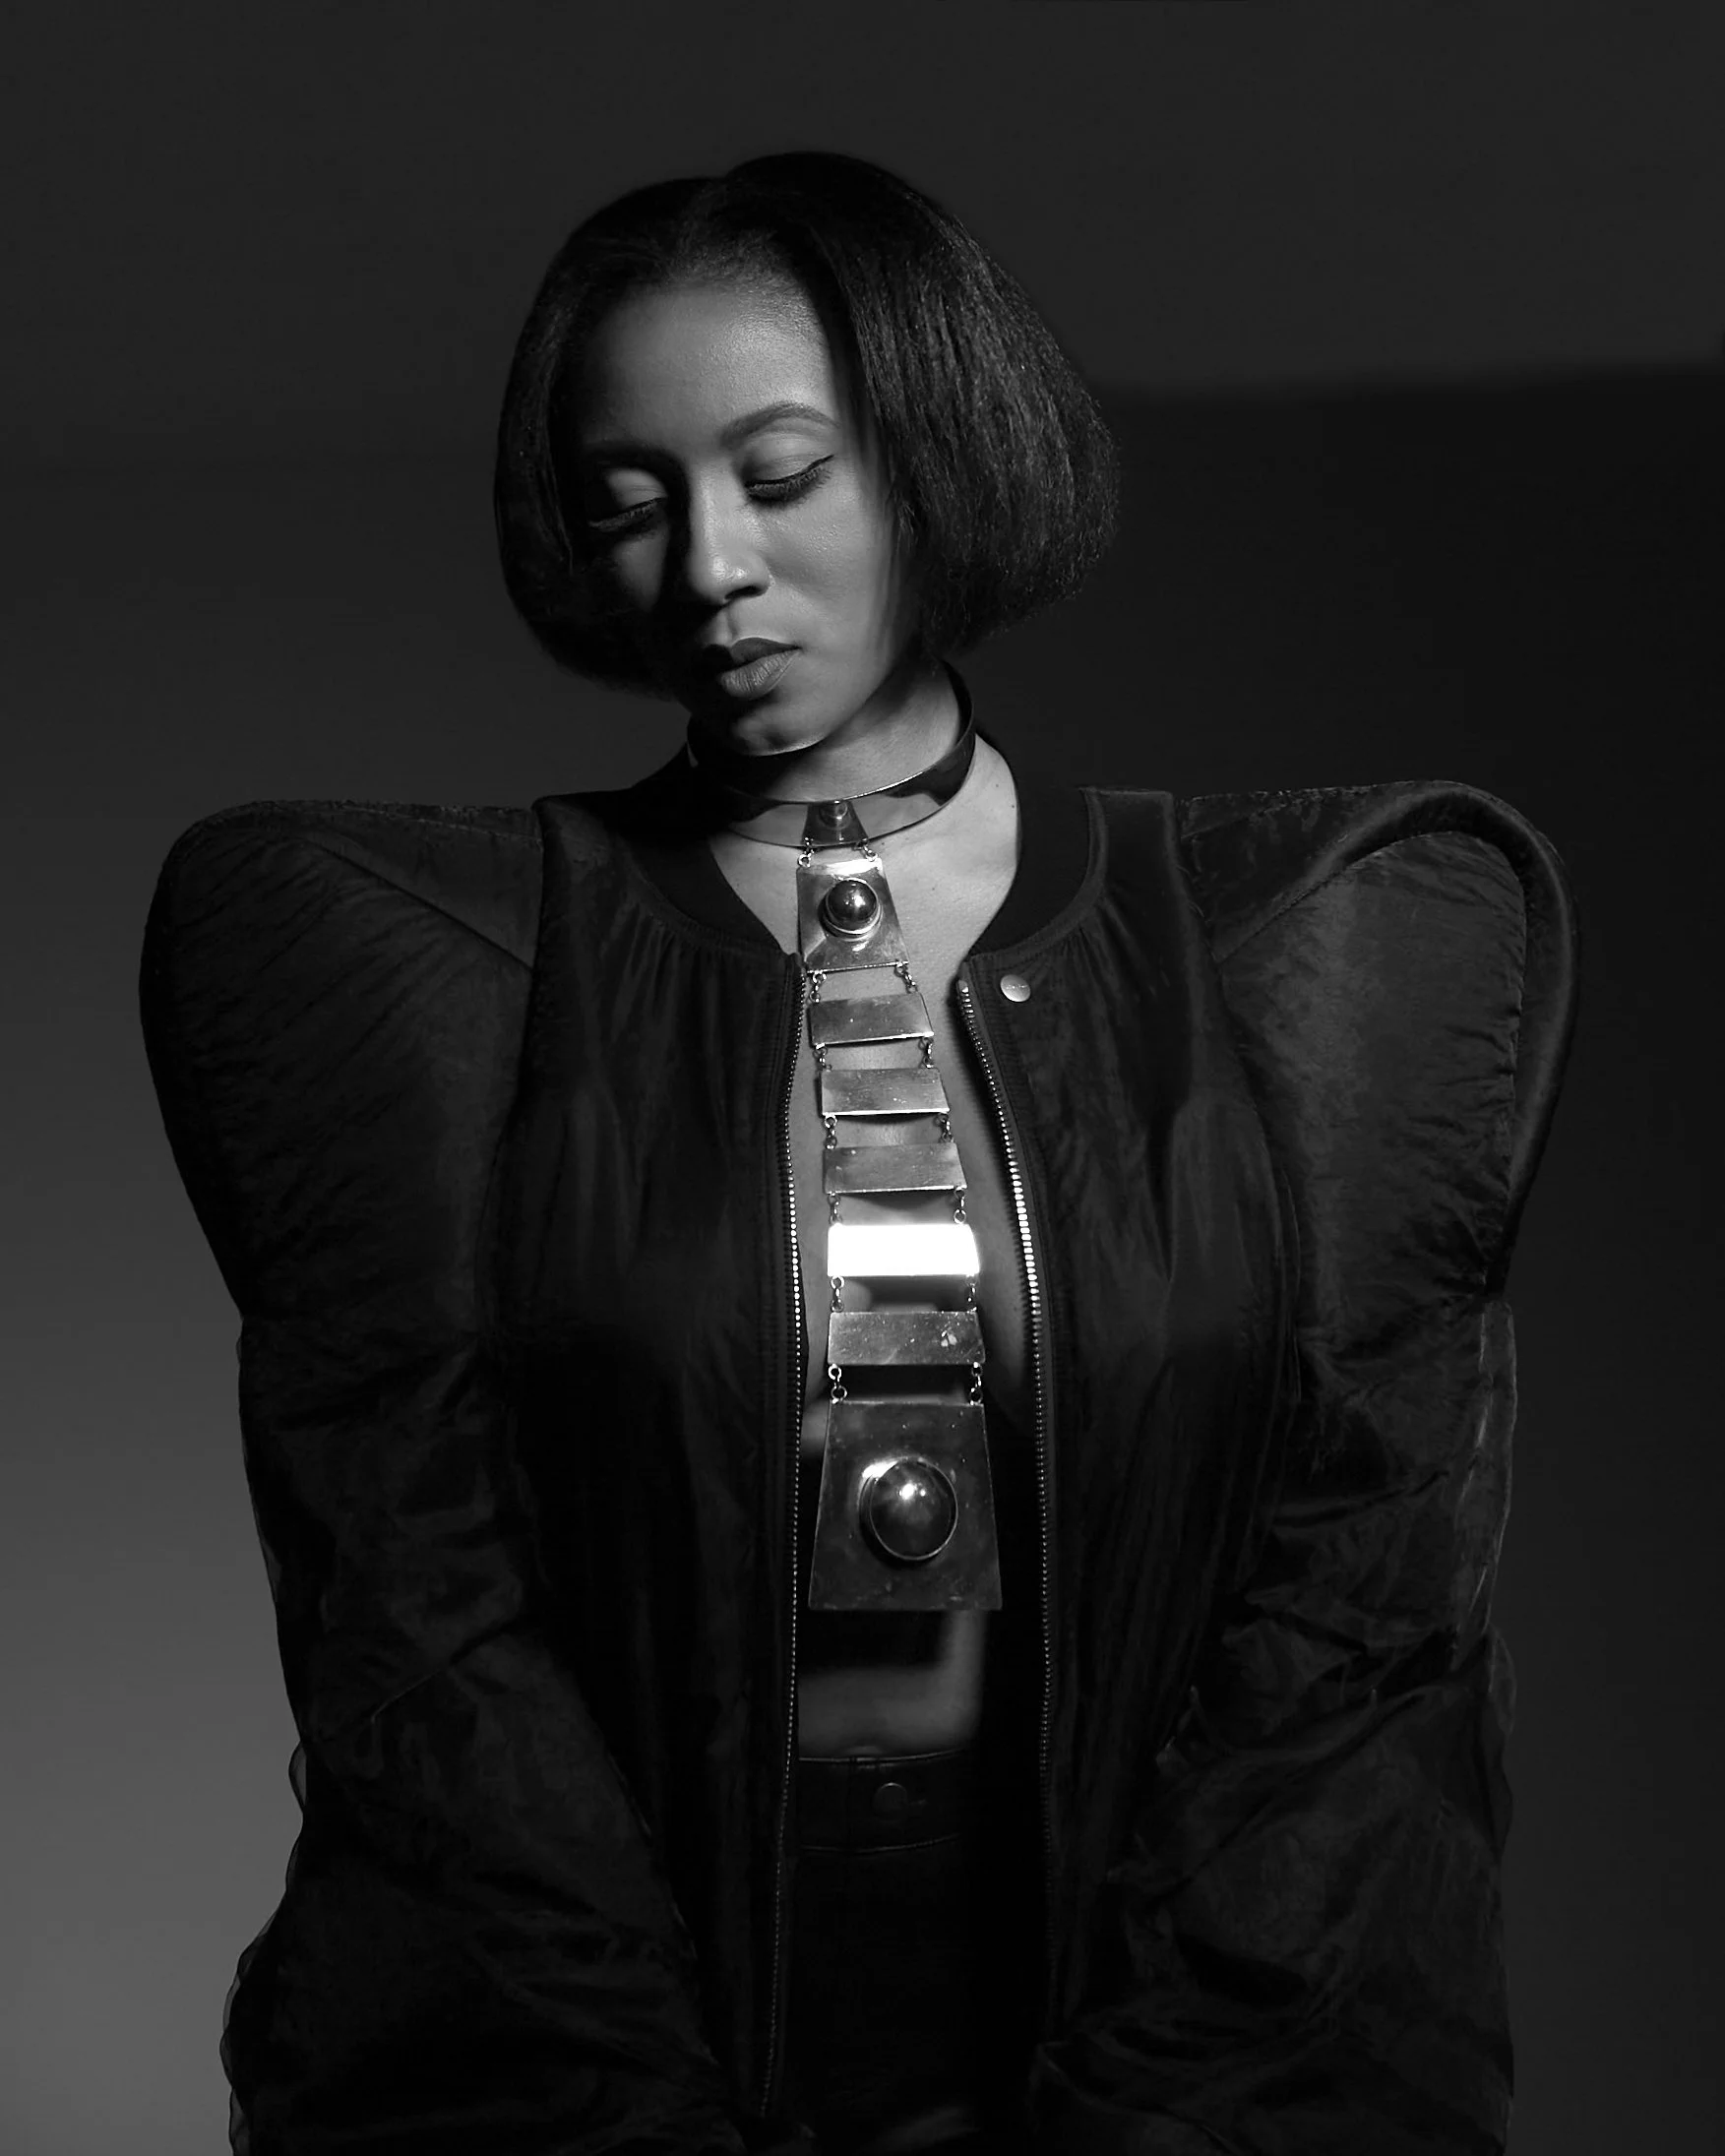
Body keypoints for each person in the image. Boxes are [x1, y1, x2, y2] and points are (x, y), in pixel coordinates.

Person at [141, 151, 1577, 2156]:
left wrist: (1160, 2109)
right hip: (624, 2073)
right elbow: (420, 1649)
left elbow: (1358, 1633)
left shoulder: (1304, 939)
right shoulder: (438, 965)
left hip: (1166, 2067)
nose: (707, 569)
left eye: (781, 472)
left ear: (941, 451)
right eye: (630, 502)